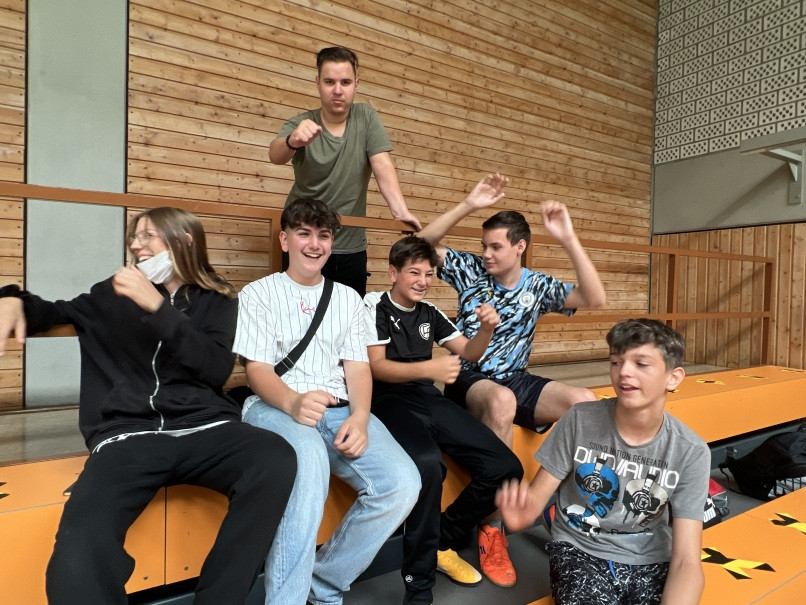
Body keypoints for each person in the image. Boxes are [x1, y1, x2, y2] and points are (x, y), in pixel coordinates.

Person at [0, 207, 297, 605]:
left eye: (148, 235)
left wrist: (159, 310)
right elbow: (56, 312)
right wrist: (11, 298)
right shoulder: (111, 293)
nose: (136, 244)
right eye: (134, 237)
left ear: (183, 240)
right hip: (129, 435)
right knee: (81, 541)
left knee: (275, 456)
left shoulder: (218, 297)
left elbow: (214, 368)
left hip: (206, 428)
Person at [416, 174, 606, 583]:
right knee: (501, 400)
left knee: (585, 403)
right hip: (468, 378)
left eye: (496, 247)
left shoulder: (537, 285)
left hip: (516, 377)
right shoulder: (469, 269)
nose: (486, 253)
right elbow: (421, 245)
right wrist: (469, 204)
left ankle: (554, 502)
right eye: (484, 245)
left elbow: (595, 298)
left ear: (519, 247)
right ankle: (493, 528)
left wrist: (569, 238)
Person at [233, 198, 420, 605]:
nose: (314, 244)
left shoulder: (349, 299)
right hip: (276, 406)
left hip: (338, 410)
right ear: (285, 240)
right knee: (310, 466)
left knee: (402, 483)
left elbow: (358, 367)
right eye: (304, 234)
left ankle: (322, 587)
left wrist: (361, 416)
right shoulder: (258, 294)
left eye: (323, 235)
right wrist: (293, 402)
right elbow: (256, 370)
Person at [497, 319, 710, 605]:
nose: (624, 372)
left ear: (673, 378)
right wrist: (522, 516)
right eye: (615, 362)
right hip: (581, 550)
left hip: (651, 557)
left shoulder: (691, 451)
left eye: (641, 364)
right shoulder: (578, 420)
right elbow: (533, 502)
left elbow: (686, 560)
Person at [269, 46, 422, 297]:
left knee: (349, 313)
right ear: (318, 83)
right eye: (329, 82)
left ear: (356, 84)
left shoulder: (366, 116)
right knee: (298, 310)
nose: (338, 90)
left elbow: (381, 164)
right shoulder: (302, 122)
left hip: (350, 243)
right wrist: (292, 141)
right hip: (305, 240)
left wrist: (400, 212)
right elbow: (275, 155)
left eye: (345, 82)